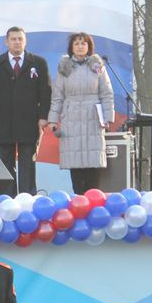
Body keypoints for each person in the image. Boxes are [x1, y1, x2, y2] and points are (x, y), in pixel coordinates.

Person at [0, 26, 51, 195]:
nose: (17, 42)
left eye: (20, 39)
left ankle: (27, 199)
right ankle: (8, 200)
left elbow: (46, 92)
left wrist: (43, 117)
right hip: (2, 122)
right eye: (13, 39)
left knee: (27, 163)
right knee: (5, 163)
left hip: (29, 122)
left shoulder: (39, 63)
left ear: (25, 41)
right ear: (7, 42)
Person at [47, 32, 115, 194]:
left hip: (93, 116)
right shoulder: (65, 67)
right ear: (71, 47)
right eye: (76, 44)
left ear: (89, 47)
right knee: (75, 165)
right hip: (71, 117)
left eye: (83, 43)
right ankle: (78, 200)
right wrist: (52, 120)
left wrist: (107, 117)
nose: (80, 46)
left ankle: (93, 200)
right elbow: (58, 96)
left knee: (93, 164)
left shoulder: (97, 66)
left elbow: (106, 93)